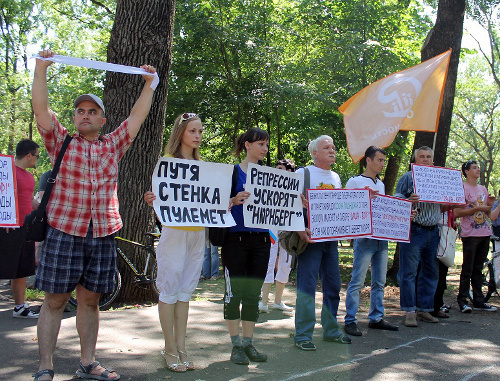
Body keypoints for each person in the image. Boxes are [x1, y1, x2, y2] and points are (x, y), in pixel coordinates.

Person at [32, 49, 156, 381]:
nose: (85, 115)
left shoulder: (113, 144)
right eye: (80, 111)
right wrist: (41, 69)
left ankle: (88, 362)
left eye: (92, 111)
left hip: (101, 233)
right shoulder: (61, 142)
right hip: (64, 231)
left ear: (102, 120)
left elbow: (136, 118)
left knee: (90, 301)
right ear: (74, 118)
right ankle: (45, 367)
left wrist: (149, 84)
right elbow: (41, 110)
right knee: (55, 301)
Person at [144, 113, 205, 372]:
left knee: (185, 292)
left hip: (198, 233)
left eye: (200, 131)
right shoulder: (167, 164)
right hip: (174, 232)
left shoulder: (205, 168)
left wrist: (225, 202)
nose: (197, 136)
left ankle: (182, 346)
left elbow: (208, 200)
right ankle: (169, 348)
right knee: (169, 291)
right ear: (181, 133)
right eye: (193, 131)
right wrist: (152, 199)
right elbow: (161, 198)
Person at [294, 135, 351, 351]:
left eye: (333, 147)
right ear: (315, 153)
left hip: (331, 241)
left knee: (333, 287)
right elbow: (291, 204)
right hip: (309, 240)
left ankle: (331, 330)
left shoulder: (336, 177)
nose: (332, 150)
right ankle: (303, 335)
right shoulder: (303, 173)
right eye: (327, 147)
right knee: (307, 287)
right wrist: (300, 226)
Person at [222, 128, 271, 365]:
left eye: (267, 145)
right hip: (236, 240)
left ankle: (248, 343)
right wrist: (232, 200)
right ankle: (235, 346)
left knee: (253, 295)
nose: (264, 148)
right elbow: (214, 203)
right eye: (260, 143)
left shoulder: (271, 177)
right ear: (247, 145)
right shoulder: (231, 173)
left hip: (261, 241)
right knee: (234, 294)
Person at [343, 146, 398, 336]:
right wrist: (363, 197)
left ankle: (376, 317)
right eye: (380, 160)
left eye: (384, 161)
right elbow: (345, 206)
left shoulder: (380, 184)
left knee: (379, 281)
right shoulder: (355, 181)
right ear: (368, 160)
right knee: (357, 280)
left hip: (381, 238)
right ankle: (350, 319)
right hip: (364, 237)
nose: (383, 164)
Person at [395, 146, 442, 327]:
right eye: (421, 157)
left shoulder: (440, 178)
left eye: (428, 157)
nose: (425, 159)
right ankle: (409, 311)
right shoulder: (408, 177)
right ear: (415, 160)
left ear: (433, 160)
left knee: (430, 272)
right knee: (409, 272)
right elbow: (396, 197)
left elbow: (449, 201)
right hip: (414, 230)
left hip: (433, 230)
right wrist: (409, 199)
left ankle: (425, 309)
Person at [0, 139, 40, 319]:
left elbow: (29, 201)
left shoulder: (29, 176)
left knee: (21, 269)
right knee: (5, 266)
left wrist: (46, 206)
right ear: (29, 155)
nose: (37, 160)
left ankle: (20, 307)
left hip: (25, 227)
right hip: (8, 228)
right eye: (37, 156)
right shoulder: (6, 172)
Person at [454, 160, 500, 313]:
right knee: (467, 268)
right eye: (474, 167)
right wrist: (476, 209)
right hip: (470, 234)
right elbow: (456, 213)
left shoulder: (483, 189)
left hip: (485, 233)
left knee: (478, 269)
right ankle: (462, 300)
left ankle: (479, 300)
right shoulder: (462, 187)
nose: (477, 170)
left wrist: (494, 204)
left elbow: (491, 216)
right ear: (466, 171)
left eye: (478, 167)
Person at [259, 159, 296, 313]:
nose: (278, 171)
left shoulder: (296, 188)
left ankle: (278, 301)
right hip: (272, 229)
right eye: (277, 168)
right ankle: (264, 301)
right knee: (268, 262)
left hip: (288, 230)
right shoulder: (268, 186)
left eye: (282, 169)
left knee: (285, 264)